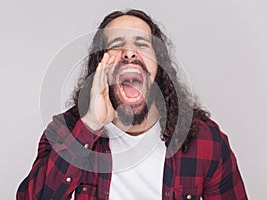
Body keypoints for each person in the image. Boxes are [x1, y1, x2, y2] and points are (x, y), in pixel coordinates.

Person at [17, 9, 248, 200]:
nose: (129, 53)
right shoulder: (65, 130)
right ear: (100, 66)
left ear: (159, 65)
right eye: (117, 45)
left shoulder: (206, 139)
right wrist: (89, 126)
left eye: (141, 44)